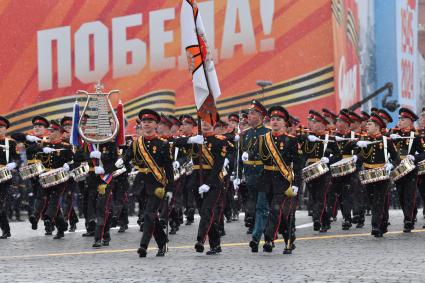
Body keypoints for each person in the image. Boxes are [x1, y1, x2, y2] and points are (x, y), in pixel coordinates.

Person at [120, 109, 173, 257]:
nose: (146, 124)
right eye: (144, 122)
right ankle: (162, 243)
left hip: (157, 185)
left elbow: (168, 168)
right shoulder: (137, 143)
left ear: (156, 124)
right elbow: (128, 155)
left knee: (149, 215)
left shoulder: (163, 143)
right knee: (151, 217)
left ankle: (143, 246)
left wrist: (170, 188)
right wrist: (121, 160)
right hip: (141, 184)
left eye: (150, 122)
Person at [346, 113, 400, 237]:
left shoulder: (386, 141)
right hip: (368, 175)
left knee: (379, 201)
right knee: (371, 201)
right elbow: (348, 150)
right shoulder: (364, 140)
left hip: (382, 175)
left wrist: (391, 164)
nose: (367, 126)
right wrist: (356, 145)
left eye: (370, 124)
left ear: (377, 126)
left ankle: (375, 226)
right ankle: (383, 224)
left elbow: (396, 157)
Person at [0, 116, 20, 239]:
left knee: (1, 205)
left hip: (4, 178)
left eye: (1, 127)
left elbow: (18, 158)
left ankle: (5, 230)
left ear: (5, 129)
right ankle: (6, 230)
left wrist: (14, 163)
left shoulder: (11, 143)